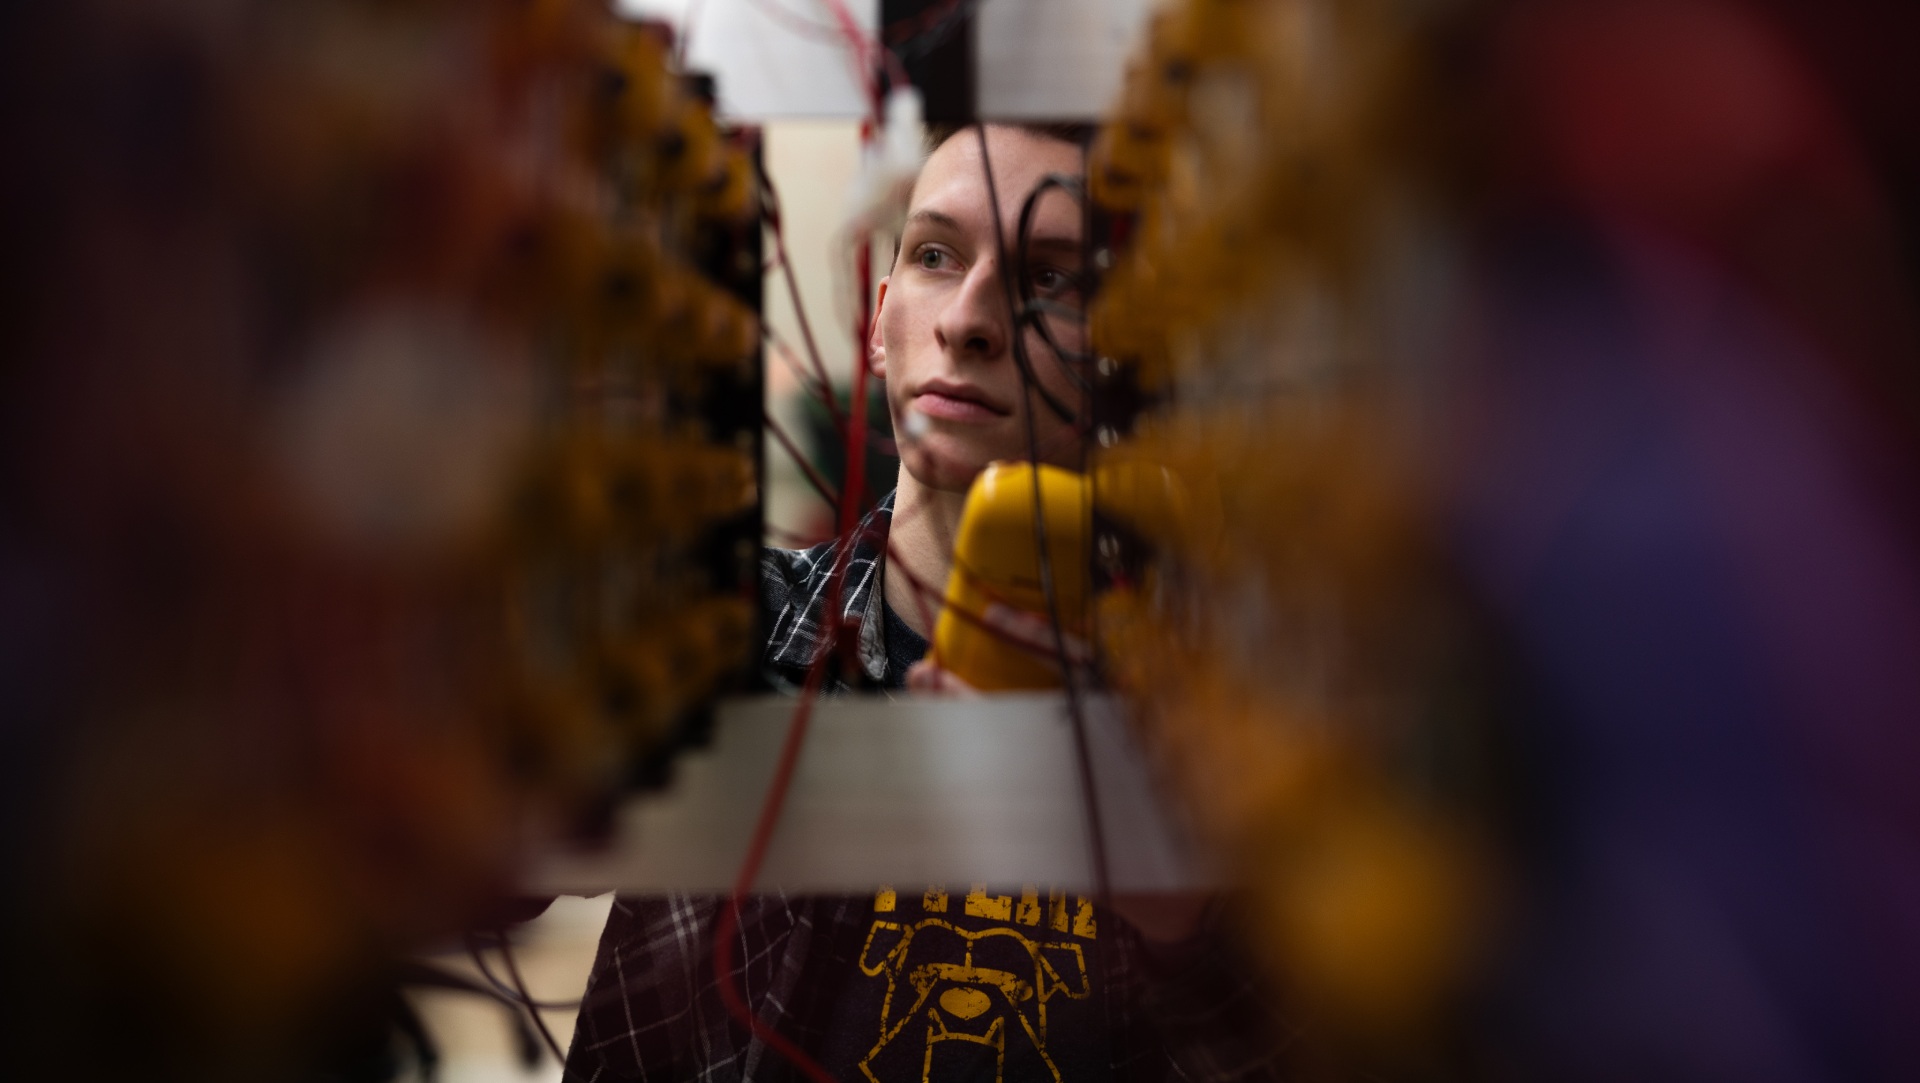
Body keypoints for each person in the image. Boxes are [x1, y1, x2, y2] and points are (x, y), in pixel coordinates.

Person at [564, 124, 1288, 1083]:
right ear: (879, 319)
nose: (971, 319)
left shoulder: (1224, 712)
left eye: (1051, 279)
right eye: (937, 255)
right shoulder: (724, 641)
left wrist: (1183, 924)